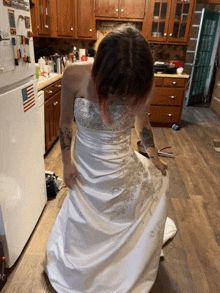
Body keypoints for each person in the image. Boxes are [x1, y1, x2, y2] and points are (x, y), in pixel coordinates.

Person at [42, 23, 177, 293]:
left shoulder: (142, 83)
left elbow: (142, 124)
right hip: (86, 164)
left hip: (120, 163)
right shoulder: (74, 75)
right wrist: (67, 162)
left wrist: (153, 155)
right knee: (85, 221)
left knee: (124, 215)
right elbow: (66, 124)